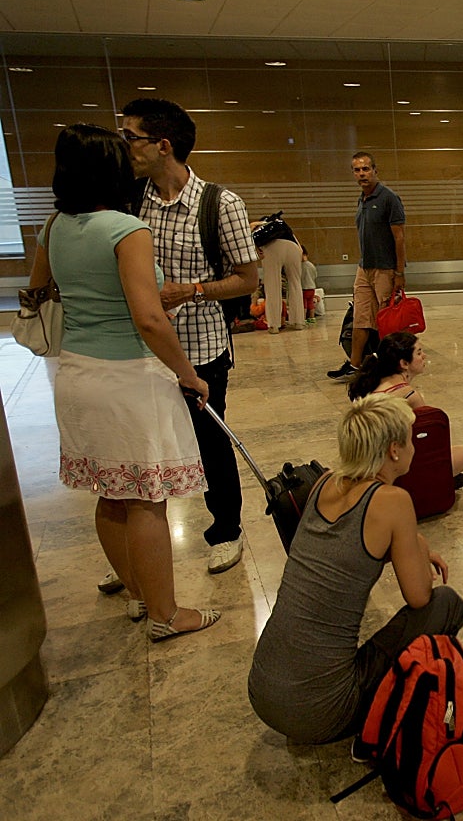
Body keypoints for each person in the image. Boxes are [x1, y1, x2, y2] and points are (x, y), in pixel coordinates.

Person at [34, 124, 219, 641]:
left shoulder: (54, 226)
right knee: (145, 499)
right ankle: (166, 613)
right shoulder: (125, 230)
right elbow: (149, 319)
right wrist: (189, 375)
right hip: (127, 380)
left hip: (75, 374)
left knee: (110, 492)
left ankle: (140, 595)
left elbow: (37, 293)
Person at [247, 394, 463, 746]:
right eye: (409, 439)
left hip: (261, 691)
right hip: (325, 713)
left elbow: (355, 543)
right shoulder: (393, 502)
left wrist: (414, 544)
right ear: (394, 450)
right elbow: (420, 596)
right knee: (447, 604)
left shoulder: (323, 482)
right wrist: (418, 552)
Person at [118, 97, 258, 577]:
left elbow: (247, 280)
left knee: (209, 444)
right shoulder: (130, 199)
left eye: (131, 137)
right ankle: (134, 547)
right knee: (137, 446)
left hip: (201, 347)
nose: (125, 146)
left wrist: (192, 291)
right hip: (139, 349)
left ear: (163, 145)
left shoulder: (220, 204)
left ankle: (226, 531)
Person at [347, 332, 463, 487]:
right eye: (419, 353)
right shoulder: (409, 395)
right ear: (404, 363)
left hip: (367, 461)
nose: (424, 356)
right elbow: (428, 441)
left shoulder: (372, 384)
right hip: (392, 464)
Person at [328, 151, 407, 381]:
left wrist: (399, 272)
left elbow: (399, 237)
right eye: (357, 170)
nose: (362, 174)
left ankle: (391, 366)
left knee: (386, 321)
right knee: (361, 317)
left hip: (386, 268)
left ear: (375, 170)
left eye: (365, 169)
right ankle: (355, 365)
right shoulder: (362, 199)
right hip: (365, 268)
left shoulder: (389, 198)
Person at [254, 217, 306, 334]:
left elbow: (251, 237)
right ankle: (298, 322)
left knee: (272, 285)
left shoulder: (257, 226)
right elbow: (299, 247)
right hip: (293, 247)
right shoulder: (283, 225)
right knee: (295, 284)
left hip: (271, 247)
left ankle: (274, 325)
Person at [300, 246, 318, 323]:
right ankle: (312, 317)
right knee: (310, 303)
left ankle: (303, 318)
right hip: (312, 287)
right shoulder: (311, 265)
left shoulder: (301, 266)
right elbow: (315, 275)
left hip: (304, 288)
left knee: (304, 303)